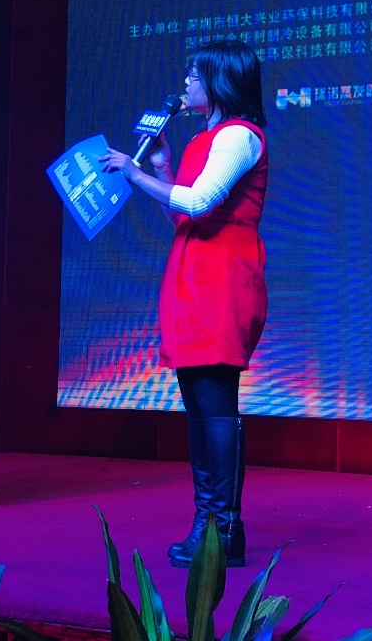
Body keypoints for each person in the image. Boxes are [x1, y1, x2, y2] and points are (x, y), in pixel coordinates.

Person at [100, 39, 268, 568]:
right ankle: (206, 523)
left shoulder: (238, 135)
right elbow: (183, 212)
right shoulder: (204, 138)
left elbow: (199, 202)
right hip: (193, 274)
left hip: (222, 278)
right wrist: (164, 167)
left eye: (194, 76)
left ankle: (224, 528)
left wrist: (135, 174)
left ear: (219, 80)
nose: (186, 84)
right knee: (197, 406)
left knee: (215, 405)